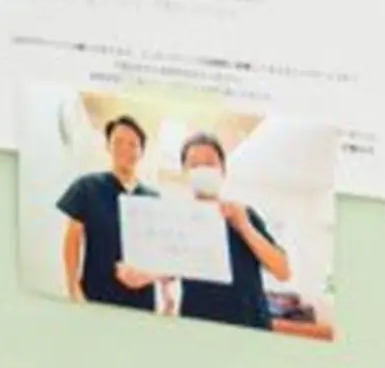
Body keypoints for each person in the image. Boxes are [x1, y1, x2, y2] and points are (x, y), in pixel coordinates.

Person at [169, 131, 294, 333]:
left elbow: (283, 272)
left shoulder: (244, 213)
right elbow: (165, 271)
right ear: (184, 173)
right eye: (194, 165)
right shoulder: (178, 221)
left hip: (250, 327)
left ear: (223, 170)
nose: (202, 170)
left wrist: (244, 226)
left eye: (210, 163)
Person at [55, 113, 162, 310]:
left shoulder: (153, 198)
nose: (125, 149)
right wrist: (73, 287)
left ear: (142, 151)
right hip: (95, 296)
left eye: (133, 144)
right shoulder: (86, 187)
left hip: (142, 301)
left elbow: (160, 251)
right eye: (119, 142)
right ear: (108, 146)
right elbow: (72, 239)